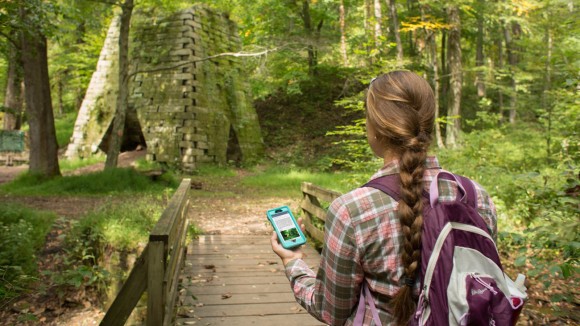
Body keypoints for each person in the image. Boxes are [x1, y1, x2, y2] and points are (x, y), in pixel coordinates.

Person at [270, 71, 497, 325]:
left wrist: (293, 262)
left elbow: (331, 311)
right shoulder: (476, 197)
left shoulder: (352, 211)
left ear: (376, 128)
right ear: (429, 124)